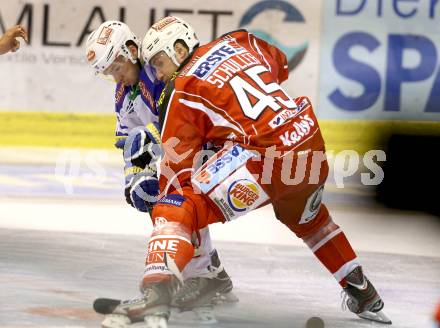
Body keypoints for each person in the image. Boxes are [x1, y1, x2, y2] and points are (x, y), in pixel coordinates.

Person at [98, 16, 391, 327]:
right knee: (310, 219)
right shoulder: (238, 41)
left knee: (175, 206)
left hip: (264, 158)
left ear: (180, 50)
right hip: (307, 140)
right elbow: (279, 63)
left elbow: (175, 174)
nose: (156, 72)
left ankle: (157, 292)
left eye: (158, 62)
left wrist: (158, 195)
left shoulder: (180, 90)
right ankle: (363, 292)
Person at [84, 20, 235, 321]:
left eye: (117, 67)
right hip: (178, 153)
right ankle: (211, 272)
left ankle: (206, 274)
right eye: (108, 73)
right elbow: (128, 144)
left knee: (180, 198)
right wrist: (134, 180)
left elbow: (186, 110)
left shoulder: (160, 68)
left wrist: (153, 137)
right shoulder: (123, 97)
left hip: (205, 143)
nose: (116, 77)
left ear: (131, 50)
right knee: (166, 205)